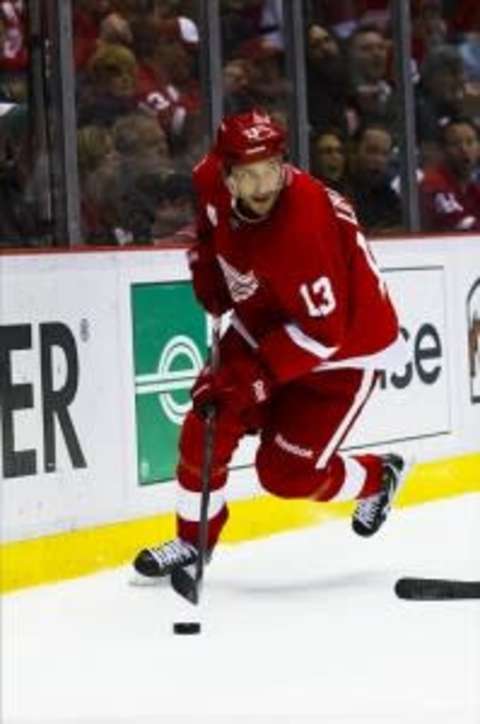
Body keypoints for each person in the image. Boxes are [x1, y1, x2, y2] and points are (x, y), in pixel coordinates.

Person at [133, 109, 410, 580]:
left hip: (346, 347)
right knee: (207, 420)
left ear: (284, 164)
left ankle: (376, 477)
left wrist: (256, 381)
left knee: (286, 476)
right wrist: (206, 261)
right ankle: (192, 542)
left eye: (271, 171)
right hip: (267, 316)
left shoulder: (304, 229)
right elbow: (210, 223)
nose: (263, 187)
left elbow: (325, 333)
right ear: (226, 173)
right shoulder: (208, 179)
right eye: (249, 175)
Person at [419, 116, 480, 232]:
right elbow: (462, 225)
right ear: (442, 150)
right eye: (455, 144)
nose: (464, 149)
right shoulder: (433, 183)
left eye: (470, 142)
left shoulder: (473, 189)